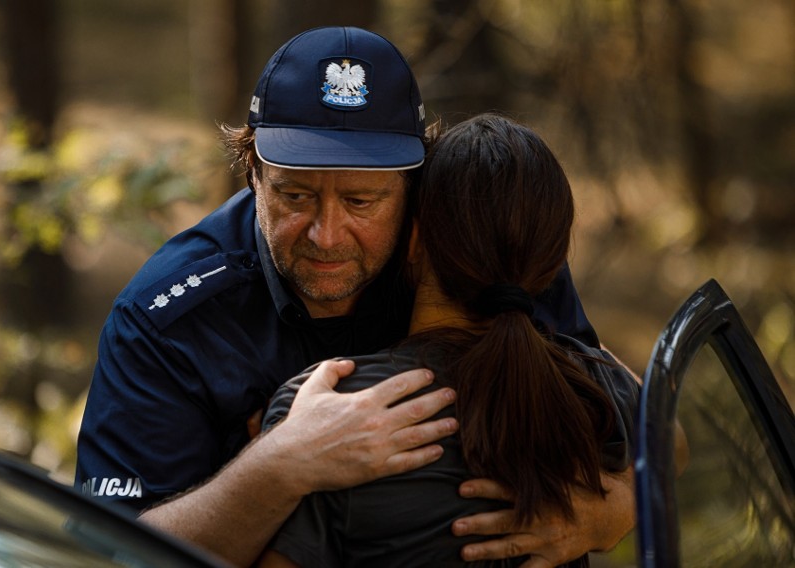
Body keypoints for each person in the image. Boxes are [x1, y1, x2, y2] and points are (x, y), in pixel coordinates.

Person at [75, 27, 635, 567]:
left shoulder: (469, 251)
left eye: (362, 202)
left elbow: (641, 415)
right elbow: (107, 554)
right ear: (252, 172)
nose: (327, 234)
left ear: (417, 194)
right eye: (295, 195)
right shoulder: (167, 321)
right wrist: (279, 467)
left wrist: (618, 506)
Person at [256, 114, 641, 568]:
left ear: (414, 240)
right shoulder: (594, 386)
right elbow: (669, 435)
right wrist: (618, 508)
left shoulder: (325, 409)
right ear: (551, 262)